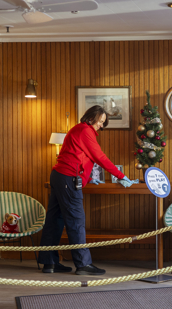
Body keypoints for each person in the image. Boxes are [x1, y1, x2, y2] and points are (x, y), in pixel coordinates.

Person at [38, 105, 133, 275]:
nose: (101, 126)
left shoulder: (78, 130)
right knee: (76, 220)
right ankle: (83, 264)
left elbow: (76, 156)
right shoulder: (85, 130)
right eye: (100, 122)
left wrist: (88, 178)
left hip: (60, 176)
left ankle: (49, 263)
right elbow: (99, 156)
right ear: (91, 118)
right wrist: (120, 175)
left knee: (55, 220)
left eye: (104, 123)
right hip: (68, 178)